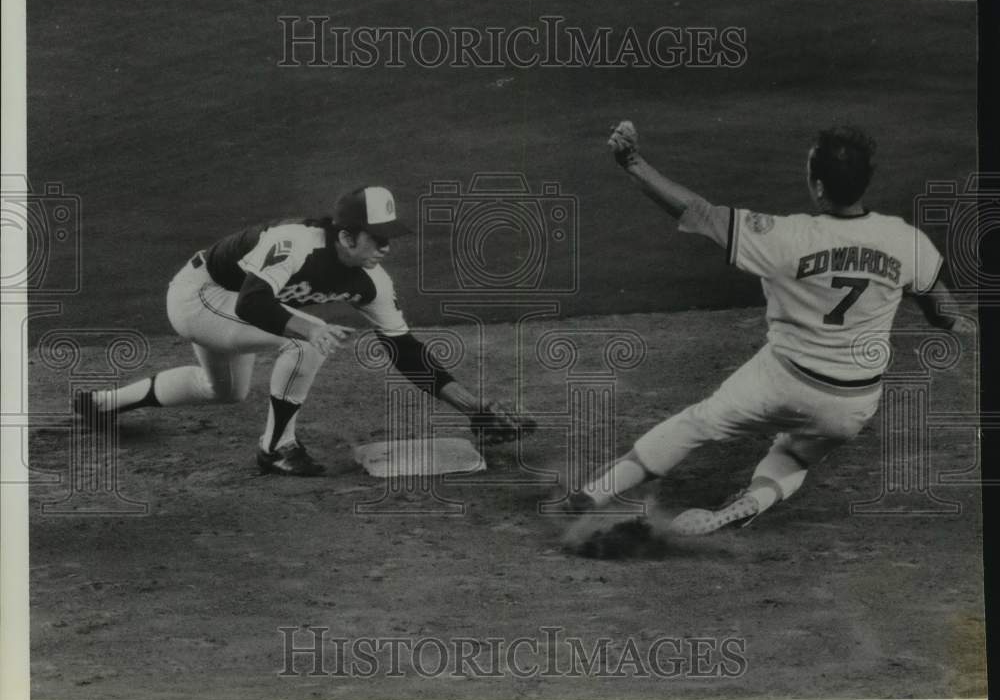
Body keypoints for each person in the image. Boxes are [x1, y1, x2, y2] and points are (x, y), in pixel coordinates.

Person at [567, 121, 972, 539]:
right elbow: (941, 308)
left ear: (817, 186)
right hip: (851, 402)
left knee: (696, 425)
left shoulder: (787, 236)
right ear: (865, 181)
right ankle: (754, 500)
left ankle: (595, 493)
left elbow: (698, 212)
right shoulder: (906, 239)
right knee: (795, 456)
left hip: (779, 381)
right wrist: (958, 323)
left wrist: (633, 163)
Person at [75, 185, 534, 476]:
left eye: (391, 237)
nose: (387, 247)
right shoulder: (294, 242)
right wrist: (306, 330)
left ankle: (100, 405)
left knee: (223, 390)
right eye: (379, 237)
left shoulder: (372, 280)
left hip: (234, 311)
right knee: (309, 333)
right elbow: (253, 300)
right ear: (347, 235)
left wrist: (470, 405)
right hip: (198, 296)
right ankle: (277, 448)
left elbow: (404, 350)